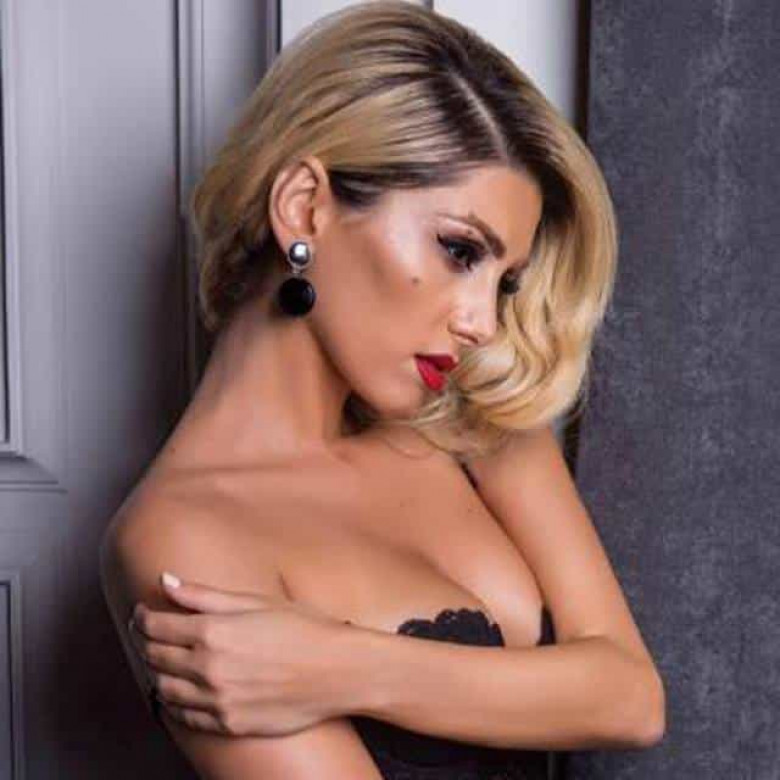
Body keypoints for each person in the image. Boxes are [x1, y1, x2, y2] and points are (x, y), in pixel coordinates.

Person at [99, 2, 666, 778]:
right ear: (304, 207)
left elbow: (631, 700)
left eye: (504, 282)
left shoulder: (474, 420)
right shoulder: (178, 541)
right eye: (459, 250)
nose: (483, 326)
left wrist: (341, 665)